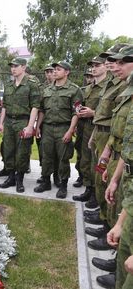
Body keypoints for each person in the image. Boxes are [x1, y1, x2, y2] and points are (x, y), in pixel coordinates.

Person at [84, 44, 129, 240]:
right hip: (104, 138)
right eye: (111, 60)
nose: (113, 65)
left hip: (117, 146)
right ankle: (104, 218)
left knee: (113, 186)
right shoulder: (113, 83)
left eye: (119, 61)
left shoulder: (123, 85)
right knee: (101, 177)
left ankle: (109, 225)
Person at [104, 45, 133, 289]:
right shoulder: (127, 92)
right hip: (126, 171)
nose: (117, 66)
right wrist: (114, 177)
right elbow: (128, 142)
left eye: (124, 62)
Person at [34, 61, 82, 198]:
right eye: (54, 69)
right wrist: (38, 126)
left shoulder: (74, 90)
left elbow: (76, 113)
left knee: (63, 158)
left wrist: (70, 130)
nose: (54, 71)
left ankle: (63, 185)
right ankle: (46, 182)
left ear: (67, 72)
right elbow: (42, 110)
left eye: (58, 69)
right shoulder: (47, 90)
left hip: (63, 128)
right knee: (46, 156)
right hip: (47, 128)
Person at [0, 57, 40, 193]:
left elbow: (35, 107)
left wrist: (29, 126)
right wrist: (2, 123)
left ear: (24, 67)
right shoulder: (9, 85)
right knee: (8, 150)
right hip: (9, 121)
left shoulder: (32, 84)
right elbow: (4, 106)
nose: (13, 69)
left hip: (23, 121)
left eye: (16, 66)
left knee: (22, 152)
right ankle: (10, 177)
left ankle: (19, 180)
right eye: (12, 66)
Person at [73, 56, 110, 207]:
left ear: (106, 66)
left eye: (97, 65)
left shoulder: (108, 87)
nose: (93, 68)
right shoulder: (88, 88)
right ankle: (88, 189)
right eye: (92, 66)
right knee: (85, 160)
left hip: (99, 129)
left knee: (97, 162)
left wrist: (93, 113)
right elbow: (80, 106)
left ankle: (97, 194)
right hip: (85, 127)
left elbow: (109, 112)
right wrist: (80, 111)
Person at [36, 64, 61, 187]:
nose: (49, 74)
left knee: (57, 152)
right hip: (44, 124)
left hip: (58, 124)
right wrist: (37, 126)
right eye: (47, 72)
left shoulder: (61, 86)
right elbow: (40, 107)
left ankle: (57, 175)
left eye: (51, 71)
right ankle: (44, 174)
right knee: (44, 152)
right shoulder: (41, 88)